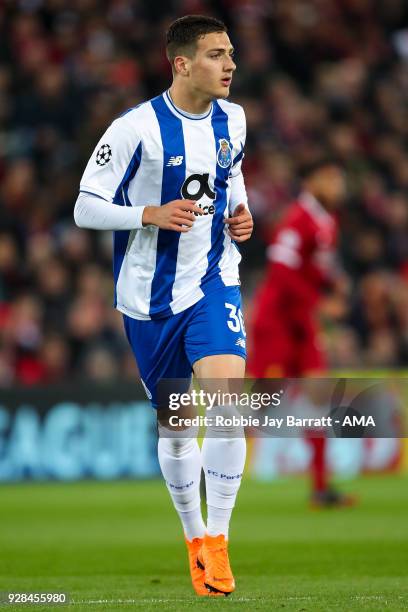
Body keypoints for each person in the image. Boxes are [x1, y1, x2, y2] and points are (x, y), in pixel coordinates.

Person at [74, 15, 253, 596]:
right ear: (181, 64)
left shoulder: (235, 119)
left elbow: (233, 174)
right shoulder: (136, 129)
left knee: (228, 402)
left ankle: (221, 541)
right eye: (215, 54)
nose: (229, 64)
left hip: (212, 279)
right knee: (177, 428)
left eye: (230, 53)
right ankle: (194, 537)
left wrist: (240, 214)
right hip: (148, 297)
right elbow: (85, 207)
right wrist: (147, 213)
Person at [248, 158, 356, 508]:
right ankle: (208, 468)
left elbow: (314, 267)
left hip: (301, 324)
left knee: (317, 399)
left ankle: (321, 488)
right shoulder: (297, 219)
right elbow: (280, 270)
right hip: (277, 321)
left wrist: (332, 282)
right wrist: (320, 303)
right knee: (258, 401)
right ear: (313, 182)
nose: (338, 185)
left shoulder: (328, 221)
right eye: (331, 177)